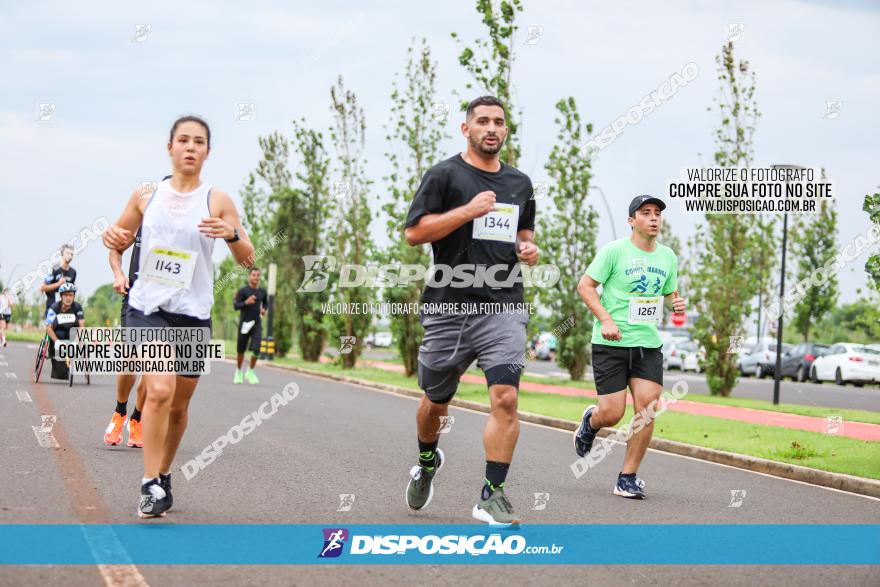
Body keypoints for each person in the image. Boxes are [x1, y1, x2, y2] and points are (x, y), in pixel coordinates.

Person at [102, 115, 254, 518]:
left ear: (207, 151)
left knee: (179, 407)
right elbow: (116, 240)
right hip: (146, 307)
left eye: (198, 142)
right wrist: (113, 251)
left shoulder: (217, 200)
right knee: (160, 390)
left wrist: (232, 234)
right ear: (169, 147)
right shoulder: (146, 194)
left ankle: (164, 473)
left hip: (192, 314)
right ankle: (149, 483)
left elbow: (249, 259)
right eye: (183, 140)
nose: (190, 147)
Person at [403, 96, 539, 526]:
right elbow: (414, 233)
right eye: (482, 121)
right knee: (435, 401)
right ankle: (427, 461)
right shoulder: (444, 175)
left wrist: (526, 248)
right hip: (449, 306)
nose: (491, 128)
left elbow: (522, 233)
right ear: (466, 129)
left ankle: (491, 494)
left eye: (498, 121)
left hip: (503, 305)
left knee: (506, 397)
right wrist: (467, 211)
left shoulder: (519, 183)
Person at [573, 195, 686, 499]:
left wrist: (676, 303)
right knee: (612, 412)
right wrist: (606, 320)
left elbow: (668, 292)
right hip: (611, 342)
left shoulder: (668, 257)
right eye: (646, 213)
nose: (653, 218)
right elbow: (585, 286)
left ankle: (627, 477)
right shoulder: (613, 252)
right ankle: (591, 421)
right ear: (631, 220)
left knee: (648, 408)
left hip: (647, 344)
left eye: (657, 214)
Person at [104, 226, 148, 447]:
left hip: (166, 306)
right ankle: (120, 410)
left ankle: (137, 418)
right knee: (129, 360)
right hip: (135, 301)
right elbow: (114, 250)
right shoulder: (143, 217)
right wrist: (119, 273)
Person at [233, 267, 267, 384]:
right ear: (249, 276)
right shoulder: (243, 291)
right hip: (244, 323)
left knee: (257, 348)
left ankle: (250, 371)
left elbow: (266, 304)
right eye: (254, 275)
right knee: (241, 350)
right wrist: (246, 302)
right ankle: (238, 371)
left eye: (258, 275)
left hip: (256, 323)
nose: (256, 277)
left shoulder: (262, 292)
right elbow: (236, 306)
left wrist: (264, 310)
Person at [45, 282, 85, 379]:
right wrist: (56, 341)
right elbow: (48, 328)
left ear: (74, 296)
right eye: (66, 295)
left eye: (71, 295)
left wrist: (76, 341)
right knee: (59, 333)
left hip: (72, 334)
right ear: (61, 296)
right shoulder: (54, 308)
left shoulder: (78, 307)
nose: (68, 298)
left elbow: (82, 327)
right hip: (58, 335)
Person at [40, 244, 77, 316]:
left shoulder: (73, 272)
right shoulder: (54, 269)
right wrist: (58, 284)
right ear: (62, 254)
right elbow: (43, 288)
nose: (70, 256)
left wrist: (74, 287)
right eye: (68, 253)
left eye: (72, 254)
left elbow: (71, 291)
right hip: (52, 307)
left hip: (66, 310)